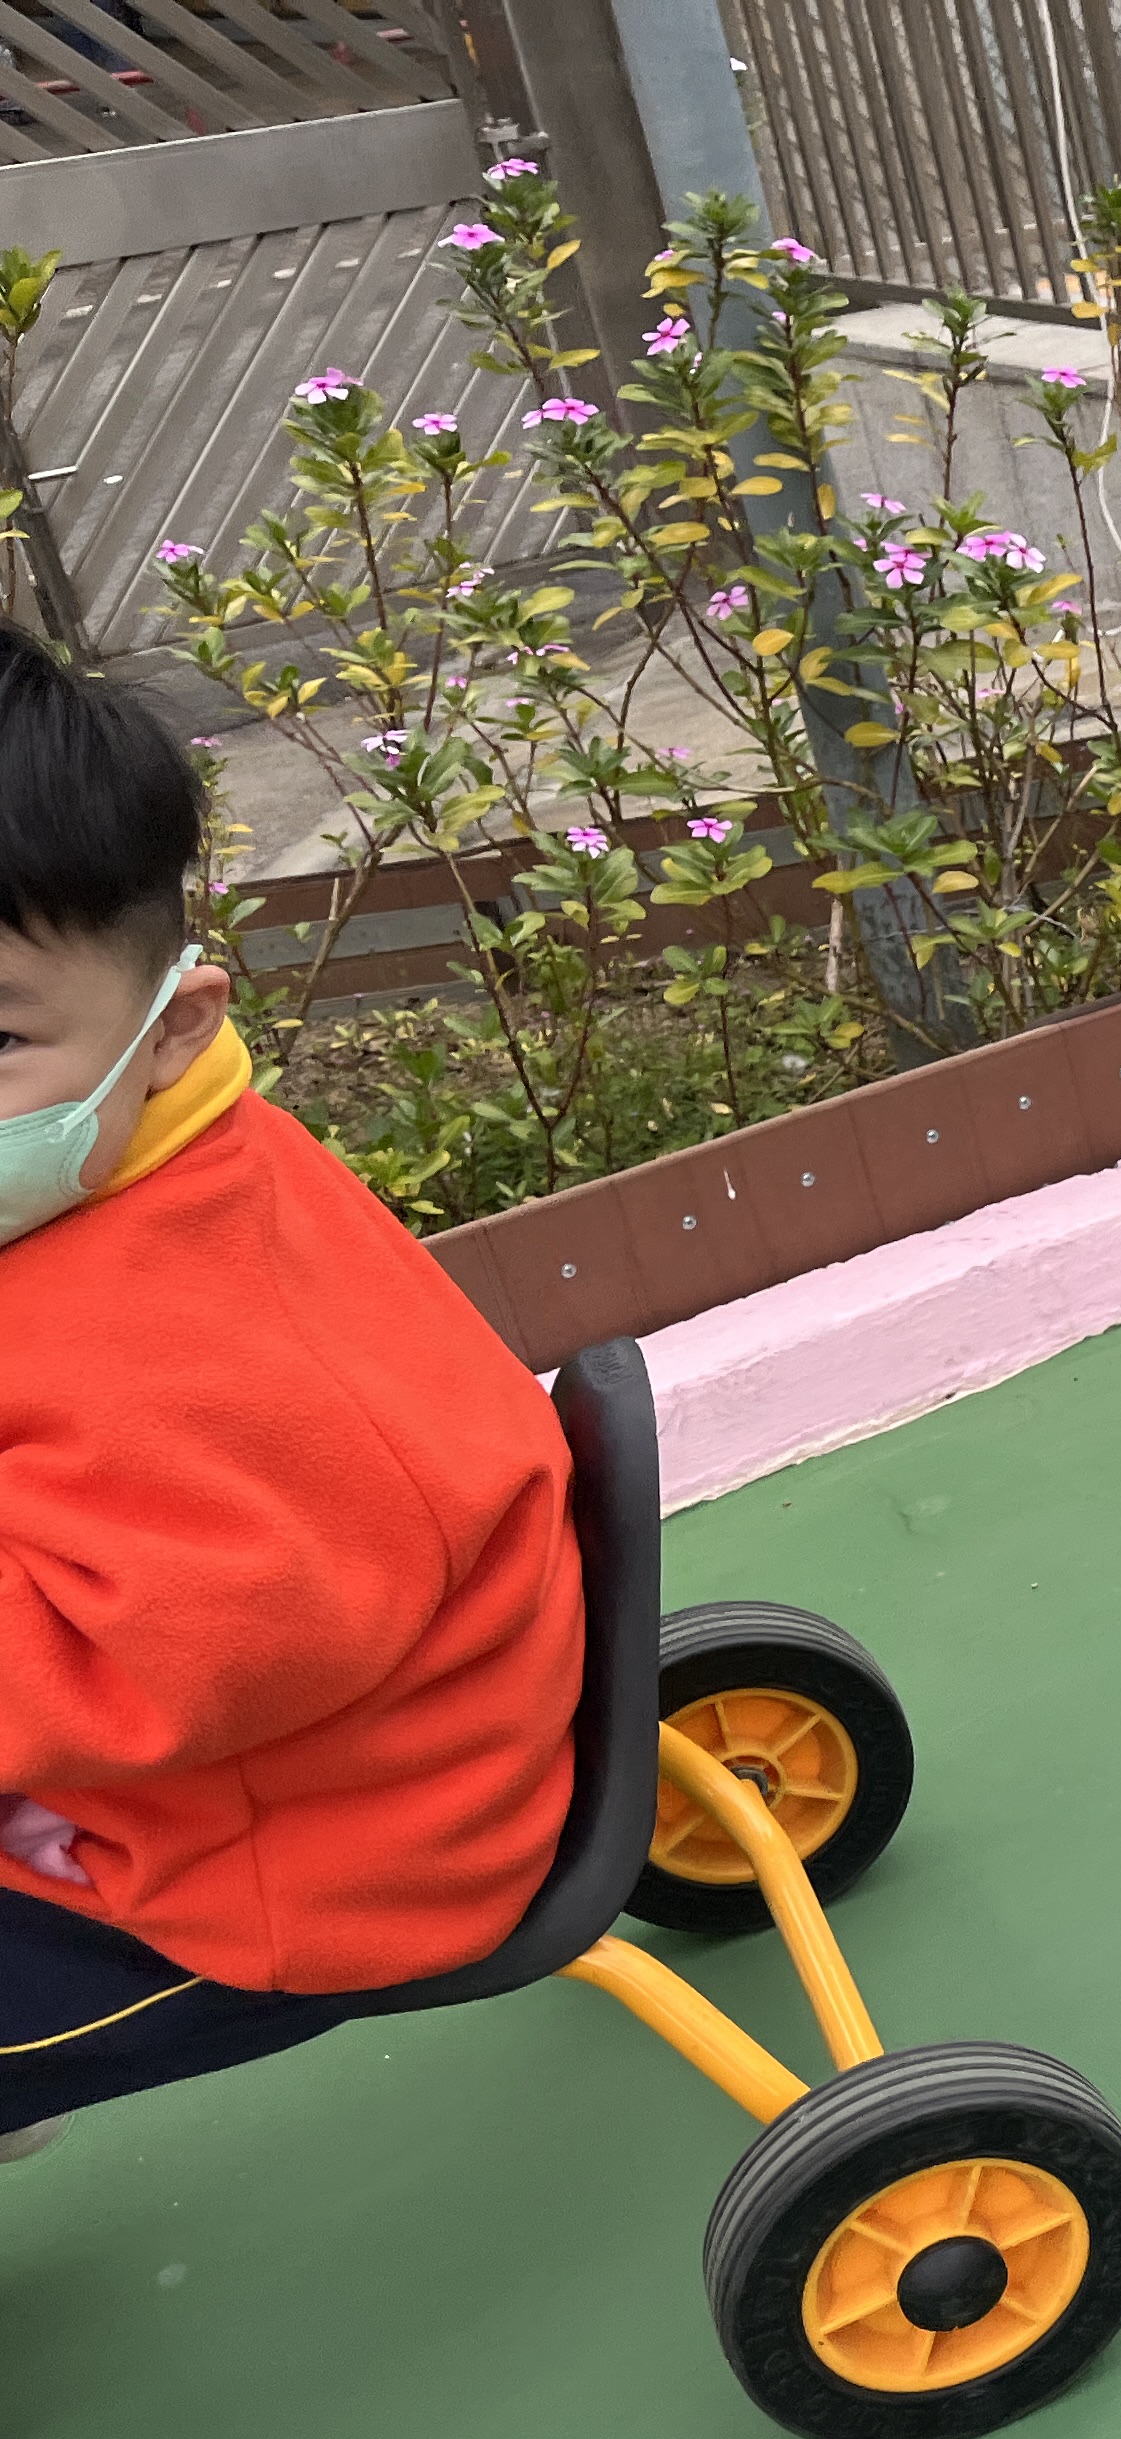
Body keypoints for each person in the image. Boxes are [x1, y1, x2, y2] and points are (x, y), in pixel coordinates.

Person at [0, 623, 582, 2156]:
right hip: (323, 1731)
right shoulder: (139, 1150)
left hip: (311, 1870)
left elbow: (176, 1662)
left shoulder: (177, 1346)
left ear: (170, 1024)